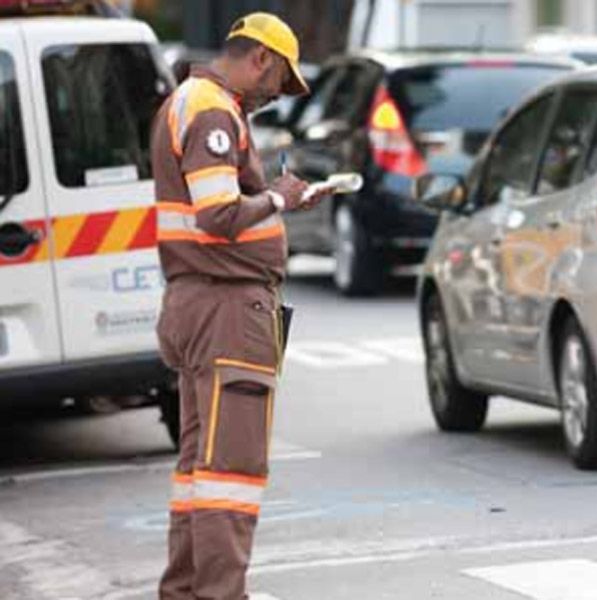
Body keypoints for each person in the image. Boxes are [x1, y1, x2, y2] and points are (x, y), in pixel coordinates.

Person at [151, 13, 327, 599]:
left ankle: (183, 591)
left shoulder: (189, 101)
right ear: (261, 59)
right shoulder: (212, 111)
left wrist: (276, 202)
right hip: (227, 310)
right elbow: (219, 214)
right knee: (231, 476)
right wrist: (277, 197)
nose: (279, 93)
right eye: (282, 79)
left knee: (198, 474)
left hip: (196, 304)